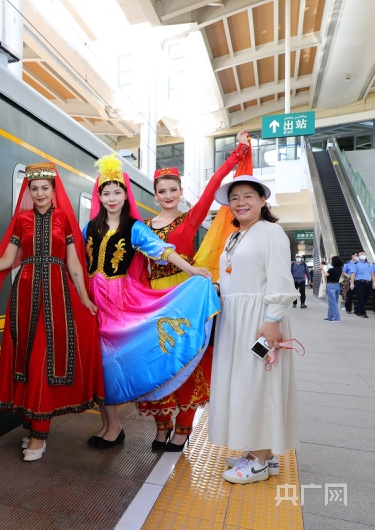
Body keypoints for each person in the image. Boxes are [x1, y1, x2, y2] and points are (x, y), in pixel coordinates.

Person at [0, 162, 103, 462]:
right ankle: (34, 425)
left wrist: (85, 299)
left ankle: (39, 435)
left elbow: (73, 264)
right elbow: (8, 260)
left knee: (44, 358)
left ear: (53, 190)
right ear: (29, 191)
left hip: (58, 296)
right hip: (25, 296)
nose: (40, 193)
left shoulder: (64, 219)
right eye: (34, 188)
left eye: (45, 188)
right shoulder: (22, 220)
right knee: (28, 358)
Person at [83, 154, 217, 450]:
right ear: (99, 197)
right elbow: (78, 259)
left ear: (126, 196)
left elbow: (162, 250)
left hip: (123, 300)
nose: (112, 198)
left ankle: (160, 426)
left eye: (117, 192)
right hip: (95, 301)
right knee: (101, 362)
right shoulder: (90, 227)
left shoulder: (135, 227)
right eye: (106, 193)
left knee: (123, 358)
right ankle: (112, 426)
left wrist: (192, 270)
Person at [139, 130, 249, 452]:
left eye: (173, 189)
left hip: (185, 296)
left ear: (181, 192)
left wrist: (236, 154)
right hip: (155, 299)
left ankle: (183, 429)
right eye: (162, 191)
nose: (168, 195)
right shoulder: (142, 226)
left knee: (187, 359)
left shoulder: (190, 219)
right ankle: (162, 426)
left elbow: (214, 184)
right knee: (159, 362)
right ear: (155, 195)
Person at [209, 175, 299, 485]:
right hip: (235, 321)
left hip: (260, 320)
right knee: (246, 383)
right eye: (234, 198)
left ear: (262, 201)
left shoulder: (270, 232)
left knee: (257, 384)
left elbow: (279, 278)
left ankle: (258, 462)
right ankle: (264, 454)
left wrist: (273, 320)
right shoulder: (235, 236)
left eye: (248, 196)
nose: (240, 202)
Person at [349, 249, 374, 318]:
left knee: (366, 297)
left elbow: (371, 274)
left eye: (364, 254)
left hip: (368, 282)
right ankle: (363, 312)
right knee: (361, 297)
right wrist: (352, 282)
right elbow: (353, 274)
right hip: (359, 282)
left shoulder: (369, 264)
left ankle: (357, 310)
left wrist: (374, 282)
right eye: (361, 254)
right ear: (358, 256)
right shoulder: (356, 264)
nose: (363, 255)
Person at [323, 256, 343, 322]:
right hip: (337, 285)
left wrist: (324, 269)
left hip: (331, 285)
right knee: (334, 302)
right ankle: (330, 317)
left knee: (332, 302)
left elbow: (325, 275)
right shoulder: (340, 269)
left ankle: (337, 318)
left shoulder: (331, 270)